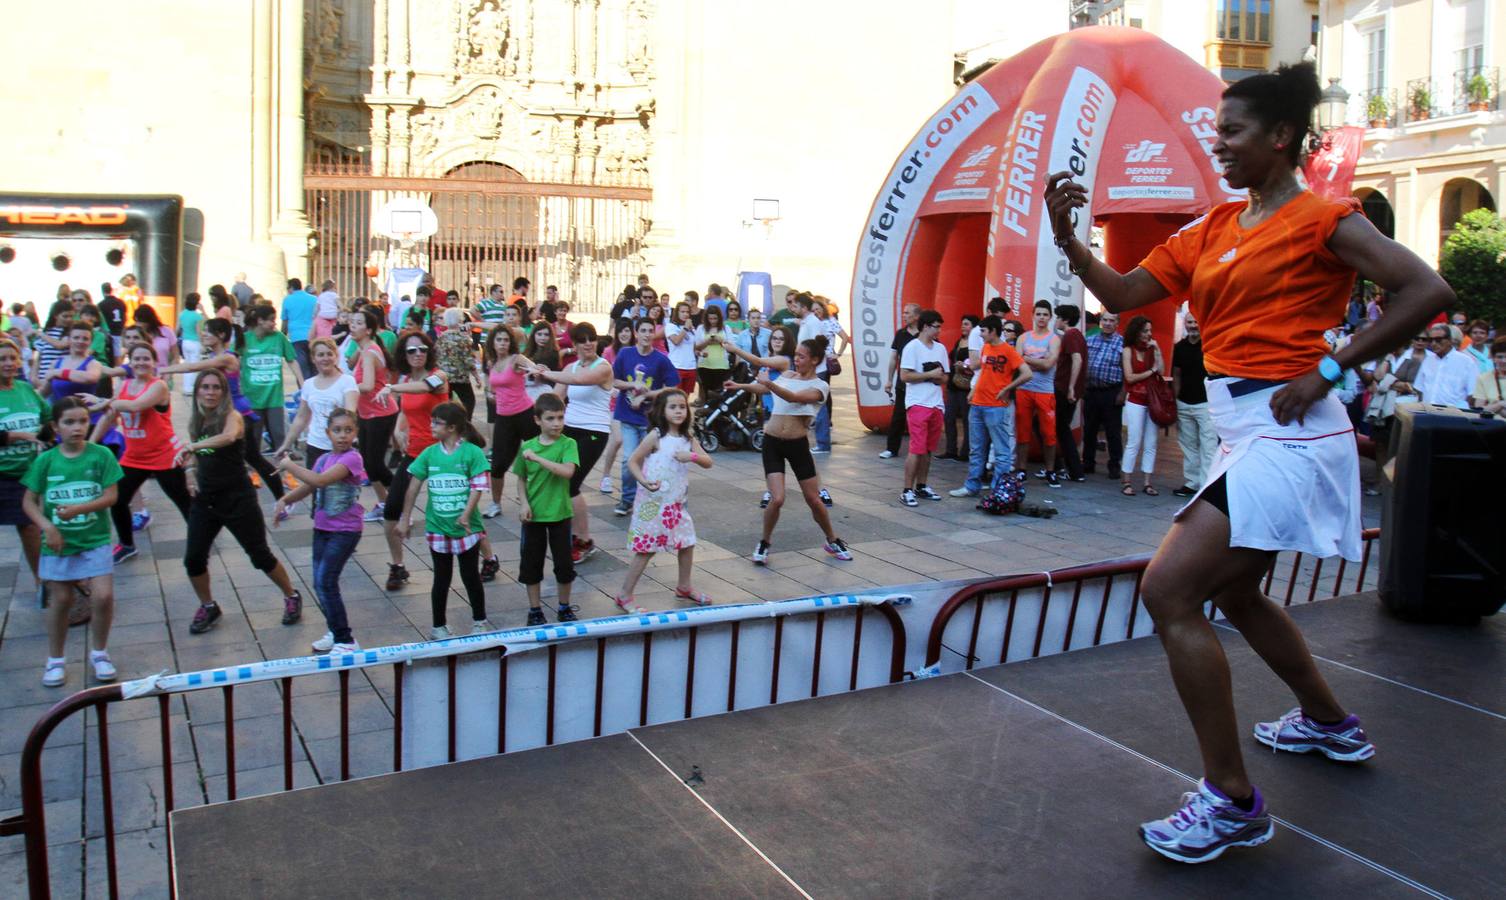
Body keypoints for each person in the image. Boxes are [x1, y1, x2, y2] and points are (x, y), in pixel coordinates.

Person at [1044, 60, 1453, 863]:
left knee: (1169, 590)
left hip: (1290, 429)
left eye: (1232, 131)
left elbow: (1426, 291)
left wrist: (1331, 367)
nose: (1219, 143)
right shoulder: (1212, 228)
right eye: (1217, 131)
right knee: (1234, 591)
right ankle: (1329, 723)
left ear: (1281, 136)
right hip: (1243, 431)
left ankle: (1231, 801)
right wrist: (1068, 239)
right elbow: (1123, 295)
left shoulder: (1324, 220)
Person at [178, 369, 304, 634]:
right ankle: (208, 606)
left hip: (237, 498)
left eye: (216, 387)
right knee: (193, 559)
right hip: (206, 500)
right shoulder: (197, 420)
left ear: (224, 392)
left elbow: (228, 437)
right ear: (197, 391)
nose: (210, 392)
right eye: (205, 387)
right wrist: (190, 472)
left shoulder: (232, 416)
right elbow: (196, 456)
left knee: (259, 555)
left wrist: (193, 447)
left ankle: (291, 595)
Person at [381, 331, 500, 589]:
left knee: (460, 510)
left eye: (422, 349)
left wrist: (391, 388)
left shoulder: (440, 376)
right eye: (411, 350)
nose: (418, 354)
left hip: (446, 453)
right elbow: (406, 410)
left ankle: (489, 558)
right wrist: (399, 429)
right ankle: (398, 566)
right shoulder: (406, 380)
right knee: (391, 509)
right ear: (403, 355)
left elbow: (425, 387)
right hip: (416, 453)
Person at [725, 336, 853, 564]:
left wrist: (769, 383)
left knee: (814, 499)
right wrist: (741, 386)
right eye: (795, 355)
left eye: (801, 357)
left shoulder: (820, 386)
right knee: (777, 499)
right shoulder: (788, 376)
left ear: (815, 360)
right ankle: (764, 542)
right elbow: (765, 389)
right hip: (772, 443)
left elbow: (794, 397)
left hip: (797, 445)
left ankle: (832, 540)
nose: (796, 360)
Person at [23, 396, 122, 687]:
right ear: (56, 427)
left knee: (103, 596)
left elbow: (111, 496)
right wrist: (47, 527)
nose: (77, 427)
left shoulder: (100, 455)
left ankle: (100, 653)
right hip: (59, 543)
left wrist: (79, 509)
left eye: (82, 421)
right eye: (69, 422)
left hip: (95, 537)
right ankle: (55, 659)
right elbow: (28, 501)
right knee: (62, 599)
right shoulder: (45, 461)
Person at [159, 318, 286, 503]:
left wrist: (163, 369)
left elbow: (193, 366)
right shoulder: (214, 356)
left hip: (238, 413)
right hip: (222, 413)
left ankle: (282, 499)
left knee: (253, 459)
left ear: (221, 335)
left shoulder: (227, 357)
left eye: (207, 331)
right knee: (229, 458)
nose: (203, 335)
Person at [395, 402, 492, 639]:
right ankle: (438, 626)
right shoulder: (429, 454)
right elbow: (413, 487)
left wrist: (466, 514)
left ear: (452, 428)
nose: (431, 426)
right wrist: (405, 518)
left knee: (470, 576)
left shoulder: (472, 453)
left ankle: (479, 622)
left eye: (436, 423)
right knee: (441, 578)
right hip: (437, 528)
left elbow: (478, 487)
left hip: (467, 530)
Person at [90, 343, 192, 562]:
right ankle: (127, 545)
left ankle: (201, 538)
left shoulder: (158, 386)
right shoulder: (124, 386)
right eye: (136, 358)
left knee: (183, 501)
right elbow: (109, 417)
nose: (141, 362)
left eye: (146, 358)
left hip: (164, 456)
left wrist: (104, 402)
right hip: (134, 457)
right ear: (130, 362)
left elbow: (136, 406)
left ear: (154, 362)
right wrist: (90, 444)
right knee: (118, 500)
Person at [274, 409, 365, 654]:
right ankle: (335, 631)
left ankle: (346, 640)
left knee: (326, 581)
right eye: (337, 430)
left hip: (345, 530)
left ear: (355, 432)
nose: (343, 435)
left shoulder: (353, 459)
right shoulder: (324, 459)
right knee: (319, 582)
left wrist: (289, 465)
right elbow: (309, 486)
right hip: (323, 528)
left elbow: (320, 481)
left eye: (348, 430)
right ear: (328, 433)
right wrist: (285, 500)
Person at [613, 390, 713, 612]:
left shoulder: (688, 438)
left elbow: (708, 461)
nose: (678, 411)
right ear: (662, 411)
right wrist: (643, 481)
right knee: (646, 549)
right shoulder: (656, 436)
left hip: (676, 505)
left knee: (687, 542)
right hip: (652, 504)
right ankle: (624, 594)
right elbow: (633, 461)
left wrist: (692, 456)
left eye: (682, 407)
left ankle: (684, 586)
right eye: (673, 407)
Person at [536, 322, 613, 564]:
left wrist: (547, 373)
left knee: (571, 483)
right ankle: (570, 533)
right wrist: (531, 387)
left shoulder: (603, 367)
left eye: (592, 339)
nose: (588, 343)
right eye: (582, 340)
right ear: (575, 344)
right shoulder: (571, 367)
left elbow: (579, 380)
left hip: (594, 432)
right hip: (569, 429)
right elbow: (556, 398)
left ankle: (584, 541)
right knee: (560, 482)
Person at [512, 393, 579, 625]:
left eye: (560, 417)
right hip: (534, 516)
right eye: (550, 418)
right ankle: (535, 610)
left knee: (564, 565)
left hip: (560, 514)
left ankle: (564, 607)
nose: (556, 423)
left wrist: (538, 459)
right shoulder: (528, 447)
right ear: (537, 420)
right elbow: (521, 479)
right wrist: (524, 503)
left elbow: (567, 471)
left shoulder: (568, 444)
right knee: (531, 565)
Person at [950, 316, 1032, 498]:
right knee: (976, 449)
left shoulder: (1008, 350)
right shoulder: (986, 347)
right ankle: (972, 486)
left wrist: (1007, 388)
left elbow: (1027, 374)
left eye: (983, 331)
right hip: (978, 404)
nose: (980, 334)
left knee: (1001, 451)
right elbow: (984, 373)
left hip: (996, 406)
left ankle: (998, 490)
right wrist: (974, 391)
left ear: (993, 331)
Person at [610, 318, 680, 517]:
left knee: (652, 462)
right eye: (643, 330)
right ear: (636, 333)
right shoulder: (625, 354)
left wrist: (647, 395)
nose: (647, 335)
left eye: (650, 331)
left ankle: (652, 496)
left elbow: (672, 387)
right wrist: (632, 385)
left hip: (651, 420)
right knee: (629, 459)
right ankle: (627, 499)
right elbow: (614, 380)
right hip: (628, 417)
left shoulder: (661, 359)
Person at [0, 338, 52, 603]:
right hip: (3, 474)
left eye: (13, 358)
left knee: (31, 526)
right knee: (29, 526)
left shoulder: (26, 389)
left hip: (29, 473)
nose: (9, 363)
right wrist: (19, 435)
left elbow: (48, 419)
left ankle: (43, 582)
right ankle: (43, 582)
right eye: (3, 359)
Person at [348, 307, 401, 531]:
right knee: (369, 465)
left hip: (381, 413)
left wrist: (345, 386)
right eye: (352, 322)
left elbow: (368, 385)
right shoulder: (365, 349)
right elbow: (351, 364)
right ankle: (385, 503)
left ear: (369, 329)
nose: (353, 326)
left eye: (359, 323)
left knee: (375, 464)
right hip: (368, 413)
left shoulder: (370, 352)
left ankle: (400, 499)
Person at [276, 338, 359, 471]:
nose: (325, 358)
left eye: (329, 354)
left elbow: (350, 415)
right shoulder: (308, 384)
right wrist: (286, 444)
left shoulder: (347, 382)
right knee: (314, 482)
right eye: (320, 355)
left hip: (340, 447)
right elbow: (301, 418)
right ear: (313, 359)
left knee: (335, 484)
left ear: (336, 357)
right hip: (315, 445)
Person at [483, 323, 537, 518]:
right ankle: (495, 504)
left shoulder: (516, 359)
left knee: (535, 457)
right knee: (498, 464)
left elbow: (533, 368)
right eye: (499, 340)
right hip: (503, 418)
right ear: (493, 343)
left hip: (525, 414)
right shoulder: (492, 363)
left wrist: (535, 370)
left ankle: (537, 497)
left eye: (506, 340)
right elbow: (492, 388)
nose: (502, 343)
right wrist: (491, 394)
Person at [240, 305, 303, 469]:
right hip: (252, 398)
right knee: (253, 436)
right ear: (260, 321)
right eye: (271, 320)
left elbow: (291, 360)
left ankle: (284, 466)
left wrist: (302, 383)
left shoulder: (279, 338)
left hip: (274, 397)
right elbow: (232, 361)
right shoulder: (245, 339)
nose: (274, 324)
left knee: (279, 434)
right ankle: (251, 467)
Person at [898, 309, 949, 506]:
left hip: (936, 403)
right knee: (916, 448)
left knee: (928, 449)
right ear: (926, 326)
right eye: (936, 327)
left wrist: (938, 377)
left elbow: (945, 376)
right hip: (917, 403)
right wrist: (929, 375)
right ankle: (907, 490)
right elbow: (905, 376)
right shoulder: (912, 347)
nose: (939, 331)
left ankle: (922, 485)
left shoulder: (940, 349)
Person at [1016, 300, 1063, 488]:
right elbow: (1017, 363)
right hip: (1024, 389)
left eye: (1045, 314)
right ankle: (1021, 469)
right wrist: (1039, 361)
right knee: (1023, 431)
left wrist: (1026, 359)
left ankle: (1050, 470)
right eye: (1039, 314)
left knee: (1049, 433)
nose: (1042, 318)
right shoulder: (1023, 338)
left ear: (1050, 317)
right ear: (1033, 316)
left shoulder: (1054, 339)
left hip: (1045, 391)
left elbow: (1048, 365)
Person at [1118, 315, 1164, 496]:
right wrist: (1151, 371)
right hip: (1136, 399)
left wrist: (1158, 351)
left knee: (1151, 442)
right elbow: (1129, 377)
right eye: (1145, 331)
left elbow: (1161, 371)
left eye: (1150, 331)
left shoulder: (1152, 349)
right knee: (1134, 440)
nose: (1148, 334)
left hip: (1152, 400)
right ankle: (1126, 480)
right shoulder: (1128, 350)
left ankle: (1147, 482)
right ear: (1136, 332)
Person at [1172, 313, 1217, 498]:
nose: (1193, 325)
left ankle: (1207, 486)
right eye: (1189, 322)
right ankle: (1192, 483)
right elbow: (1176, 375)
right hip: (1184, 403)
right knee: (1188, 446)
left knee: (1209, 447)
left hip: (1206, 404)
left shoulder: (1210, 346)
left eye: (1195, 321)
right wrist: (1176, 401)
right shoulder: (1179, 347)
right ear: (1185, 324)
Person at [1081, 311, 1125, 478]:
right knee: (1089, 429)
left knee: (1113, 431)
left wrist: (1123, 393)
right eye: (1105, 320)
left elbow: (1127, 371)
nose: (1107, 323)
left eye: (1111, 321)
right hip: (1091, 391)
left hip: (1111, 392)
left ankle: (1114, 465)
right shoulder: (1090, 340)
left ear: (1117, 324)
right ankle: (1088, 463)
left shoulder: (1122, 343)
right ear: (1100, 321)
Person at [596, 319, 634, 495]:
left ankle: (637, 479)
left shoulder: (636, 351)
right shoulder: (609, 352)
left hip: (635, 403)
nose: (624, 334)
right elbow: (603, 376)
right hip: (614, 404)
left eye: (627, 330)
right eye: (621, 331)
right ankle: (606, 476)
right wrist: (612, 389)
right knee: (618, 439)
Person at [880, 303, 921, 459]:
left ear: (916, 316)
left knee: (918, 417)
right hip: (903, 383)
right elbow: (893, 358)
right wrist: (889, 380)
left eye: (907, 313)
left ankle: (919, 448)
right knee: (898, 416)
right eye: (903, 313)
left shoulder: (923, 335)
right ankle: (891, 448)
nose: (904, 316)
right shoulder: (900, 334)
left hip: (919, 383)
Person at [1053, 303, 1087, 481]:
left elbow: (1077, 359)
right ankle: (1068, 468)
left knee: (1059, 428)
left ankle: (1071, 469)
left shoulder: (1071, 335)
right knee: (1061, 427)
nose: (1056, 321)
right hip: (1067, 389)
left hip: (1064, 389)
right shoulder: (1077, 335)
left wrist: (1071, 387)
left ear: (1065, 320)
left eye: (1058, 317)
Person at [1414, 322, 1478, 408]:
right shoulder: (1428, 360)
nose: (1433, 343)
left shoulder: (1466, 362)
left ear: (1449, 340)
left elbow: (1473, 394)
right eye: (1431, 340)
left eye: (1438, 340)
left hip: (1454, 413)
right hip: (1427, 411)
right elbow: (1419, 389)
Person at [434, 308, 480, 417]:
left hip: (445, 377)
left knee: (447, 403)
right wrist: (476, 376)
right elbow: (468, 359)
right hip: (461, 377)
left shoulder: (441, 337)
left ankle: (449, 422)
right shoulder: (464, 338)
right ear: (460, 320)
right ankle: (465, 422)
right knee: (469, 401)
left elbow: (436, 356)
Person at [943, 315, 977, 461]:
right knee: (949, 417)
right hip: (954, 383)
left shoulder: (975, 344)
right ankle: (950, 449)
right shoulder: (959, 341)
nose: (963, 326)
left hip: (966, 386)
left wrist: (964, 366)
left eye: (966, 324)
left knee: (966, 419)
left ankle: (965, 452)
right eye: (962, 324)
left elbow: (976, 365)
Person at [693, 305, 732, 401]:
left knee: (720, 393)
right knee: (707, 392)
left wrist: (720, 340)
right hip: (705, 364)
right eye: (710, 319)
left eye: (715, 318)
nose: (713, 321)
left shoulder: (726, 328)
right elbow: (696, 347)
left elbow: (731, 346)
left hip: (722, 365)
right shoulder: (701, 328)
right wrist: (707, 342)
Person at [281, 278, 318, 379]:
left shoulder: (287, 300)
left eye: (287, 288)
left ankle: (303, 387)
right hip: (313, 336)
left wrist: (283, 335)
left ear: (291, 287)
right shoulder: (314, 299)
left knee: (302, 369)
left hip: (296, 338)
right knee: (314, 366)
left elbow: (285, 321)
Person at [665, 301, 699, 395]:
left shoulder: (692, 329)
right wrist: (685, 328)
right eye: (682, 312)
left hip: (691, 366)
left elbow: (693, 347)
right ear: (677, 313)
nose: (685, 314)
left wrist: (699, 353)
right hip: (676, 366)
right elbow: (676, 341)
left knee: (686, 396)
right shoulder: (671, 326)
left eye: (687, 312)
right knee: (675, 395)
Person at [523, 319, 561, 400]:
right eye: (539, 334)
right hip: (527, 390)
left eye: (546, 335)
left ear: (550, 337)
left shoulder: (553, 353)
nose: (542, 338)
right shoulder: (528, 351)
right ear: (534, 335)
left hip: (545, 391)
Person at [178, 293, 206, 396]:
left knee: (187, 364)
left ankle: (186, 387)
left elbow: (178, 328)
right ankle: (191, 387)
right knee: (194, 366)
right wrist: (203, 311)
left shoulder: (182, 314)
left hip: (185, 341)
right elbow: (199, 331)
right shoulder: (197, 317)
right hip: (195, 343)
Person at [1469, 336, 1506, 414]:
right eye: (1499, 357)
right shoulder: (1483, 378)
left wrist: (1493, 407)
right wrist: (1500, 404)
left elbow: (1486, 409)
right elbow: (1479, 410)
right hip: (1493, 421)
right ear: (1493, 358)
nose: (1504, 361)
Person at [97, 283, 126, 357]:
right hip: (120, 332)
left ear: (102, 291)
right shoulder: (121, 302)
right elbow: (125, 316)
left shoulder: (101, 304)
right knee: (118, 355)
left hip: (109, 333)